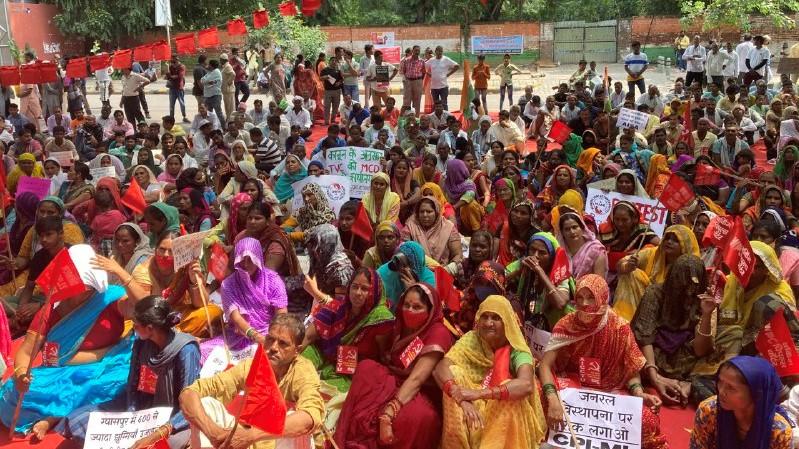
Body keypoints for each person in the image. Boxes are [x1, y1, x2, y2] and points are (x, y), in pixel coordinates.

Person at [0, 245, 135, 434]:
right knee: (13, 397)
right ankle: (59, 413)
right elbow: (26, 351)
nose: (81, 291)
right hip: (59, 371)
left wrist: (121, 273)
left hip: (107, 364)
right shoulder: (50, 308)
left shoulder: (110, 298)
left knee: (108, 383)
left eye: (87, 287)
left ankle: (54, 418)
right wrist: (22, 374)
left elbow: (142, 308)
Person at [539, 274, 668, 449]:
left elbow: (631, 371)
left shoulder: (619, 327)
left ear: (602, 297)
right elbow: (545, 365)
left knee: (648, 420)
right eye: (580, 297)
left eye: (591, 297)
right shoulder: (566, 324)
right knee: (540, 398)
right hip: (573, 388)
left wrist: (638, 393)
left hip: (611, 392)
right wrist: (553, 399)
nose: (584, 304)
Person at [55, 296, 200, 448]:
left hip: (175, 416)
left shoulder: (187, 350)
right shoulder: (141, 342)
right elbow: (133, 383)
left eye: (135, 325)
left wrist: (159, 432)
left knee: (162, 444)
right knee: (80, 418)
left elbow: (190, 405)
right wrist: (132, 415)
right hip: (142, 405)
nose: (132, 329)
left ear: (150, 329)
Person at [334, 282, 453, 449]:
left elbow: (417, 379)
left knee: (417, 416)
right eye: (407, 305)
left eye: (417, 307)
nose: (410, 311)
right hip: (396, 378)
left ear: (430, 310)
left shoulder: (437, 333)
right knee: (367, 368)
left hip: (421, 391)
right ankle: (352, 437)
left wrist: (388, 413)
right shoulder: (400, 325)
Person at [179, 313, 325, 449]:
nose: (273, 348)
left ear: (297, 350)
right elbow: (188, 393)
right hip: (245, 440)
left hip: (271, 441)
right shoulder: (252, 365)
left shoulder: (303, 370)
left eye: (283, 344)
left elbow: (310, 417)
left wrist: (250, 436)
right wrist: (214, 433)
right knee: (205, 402)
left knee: (295, 420)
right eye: (270, 339)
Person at [434, 295, 547, 449]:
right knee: (454, 374)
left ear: (506, 321)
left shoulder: (516, 349)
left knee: (511, 393)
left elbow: (526, 384)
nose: (488, 323)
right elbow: (441, 367)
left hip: (504, 414)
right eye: (484, 317)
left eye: (496, 318)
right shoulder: (472, 339)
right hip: (472, 408)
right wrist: (461, 398)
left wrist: (479, 394)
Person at [632, 255, 716, 406]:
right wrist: (654, 377)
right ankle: (676, 382)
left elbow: (701, 351)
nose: (689, 291)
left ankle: (688, 383)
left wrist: (707, 313)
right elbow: (645, 335)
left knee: (727, 341)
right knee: (630, 353)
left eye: (693, 286)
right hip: (654, 355)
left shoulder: (705, 299)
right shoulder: (655, 293)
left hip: (687, 358)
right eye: (683, 285)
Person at [301, 267, 395, 392]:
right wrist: (291, 354)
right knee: (303, 358)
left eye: (365, 289)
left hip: (354, 371)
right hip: (327, 357)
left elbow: (384, 356)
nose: (358, 292)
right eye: (355, 286)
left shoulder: (380, 319)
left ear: (374, 292)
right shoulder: (336, 308)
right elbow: (308, 336)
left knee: (327, 392)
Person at [200, 237, 287, 360]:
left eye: (250, 260)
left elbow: (281, 315)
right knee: (204, 353)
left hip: (270, 334)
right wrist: (255, 336)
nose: (245, 265)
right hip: (239, 335)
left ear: (258, 258)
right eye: (242, 260)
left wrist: (272, 338)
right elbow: (236, 317)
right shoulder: (228, 284)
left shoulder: (273, 280)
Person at [690, 356, 792, 449]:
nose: (721, 392)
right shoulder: (709, 411)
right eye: (720, 382)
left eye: (731, 388)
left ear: (755, 394)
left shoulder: (779, 432)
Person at [614, 224, 700, 321]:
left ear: (685, 245)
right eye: (667, 238)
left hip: (670, 308)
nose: (669, 242)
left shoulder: (690, 266)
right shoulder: (653, 253)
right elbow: (620, 264)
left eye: (675, 240)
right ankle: (623, 320)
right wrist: (627, 266)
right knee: (631, 273)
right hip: (643, 300)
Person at [402, 196, 462, 266]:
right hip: (418, 270)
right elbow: (404, 250)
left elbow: (458, 254)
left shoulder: (448, 227)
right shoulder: (411, 226)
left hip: (444, 270)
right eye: (421, 212)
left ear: (436, 213)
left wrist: (449, 269)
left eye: (429, 212)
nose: (425, 215)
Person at [377, 241, 436, 309]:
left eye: (407, 264)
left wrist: (413, 291)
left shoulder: (429, 279)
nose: (402, 269)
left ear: (417, 265)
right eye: (399, 263)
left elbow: (428, 311)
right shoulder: (384, 272)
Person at [557, 211, 608, 279]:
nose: (572, 232)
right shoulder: (559, 251)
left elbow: (599, 281)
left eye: (574, 227)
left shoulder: (595, 250)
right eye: (567, 229)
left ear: (582, 228)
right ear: (562, 232)